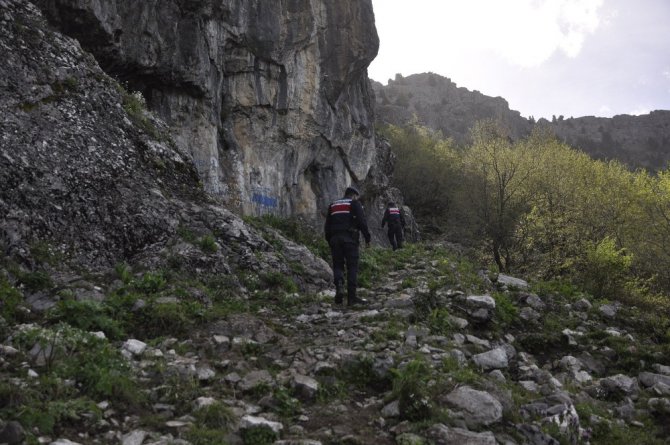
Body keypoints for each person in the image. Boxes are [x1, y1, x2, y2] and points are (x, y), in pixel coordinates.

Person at [324, 186, 371, 306]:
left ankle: (339, 286)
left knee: (338, 265)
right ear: (354, 195)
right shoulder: (355, 203)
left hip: (335, 239)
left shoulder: (333, 205)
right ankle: (351, 298)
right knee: (352, 267)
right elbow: (361, 221)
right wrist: (367, 238)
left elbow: (327, 226)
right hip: (350, 239)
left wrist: (330, 240)